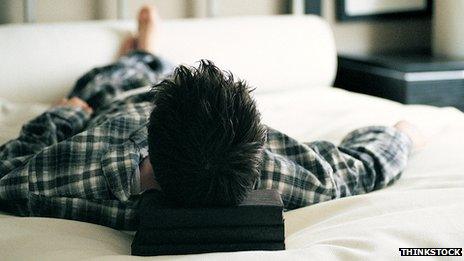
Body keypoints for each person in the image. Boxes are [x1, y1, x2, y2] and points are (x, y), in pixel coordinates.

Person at [0, 6, 425, 230]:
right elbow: (362, 167)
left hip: (121, 108)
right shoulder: (286, 172)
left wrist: (60, 118)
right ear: (260, 143)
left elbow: (9, 169)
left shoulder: (79, 167)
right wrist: (401, 132)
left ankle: (141, 56)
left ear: (150, 134)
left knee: (97, 90)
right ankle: (147, 56)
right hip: (163, 117)